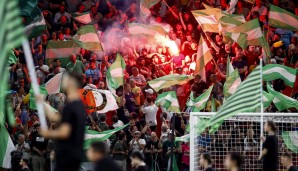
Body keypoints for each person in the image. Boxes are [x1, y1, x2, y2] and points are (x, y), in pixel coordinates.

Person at [38, 72, 86, 171]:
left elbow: (64, 132)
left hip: (66, 155)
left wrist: (48, 133)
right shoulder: (80, 105)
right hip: (75, 155)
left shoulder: (70, 107)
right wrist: (42, 103)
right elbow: (60, 119)